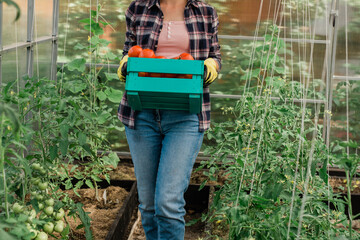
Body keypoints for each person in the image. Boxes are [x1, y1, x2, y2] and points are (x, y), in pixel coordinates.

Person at [117, 0, 221, 239]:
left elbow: (215, 55)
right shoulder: (138, 8)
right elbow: (129, 51)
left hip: (185, 115)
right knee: (149, 205)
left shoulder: (205, 12)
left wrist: (210, 67)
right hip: (142, 113)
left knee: (168, 204)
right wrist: (126, 64)